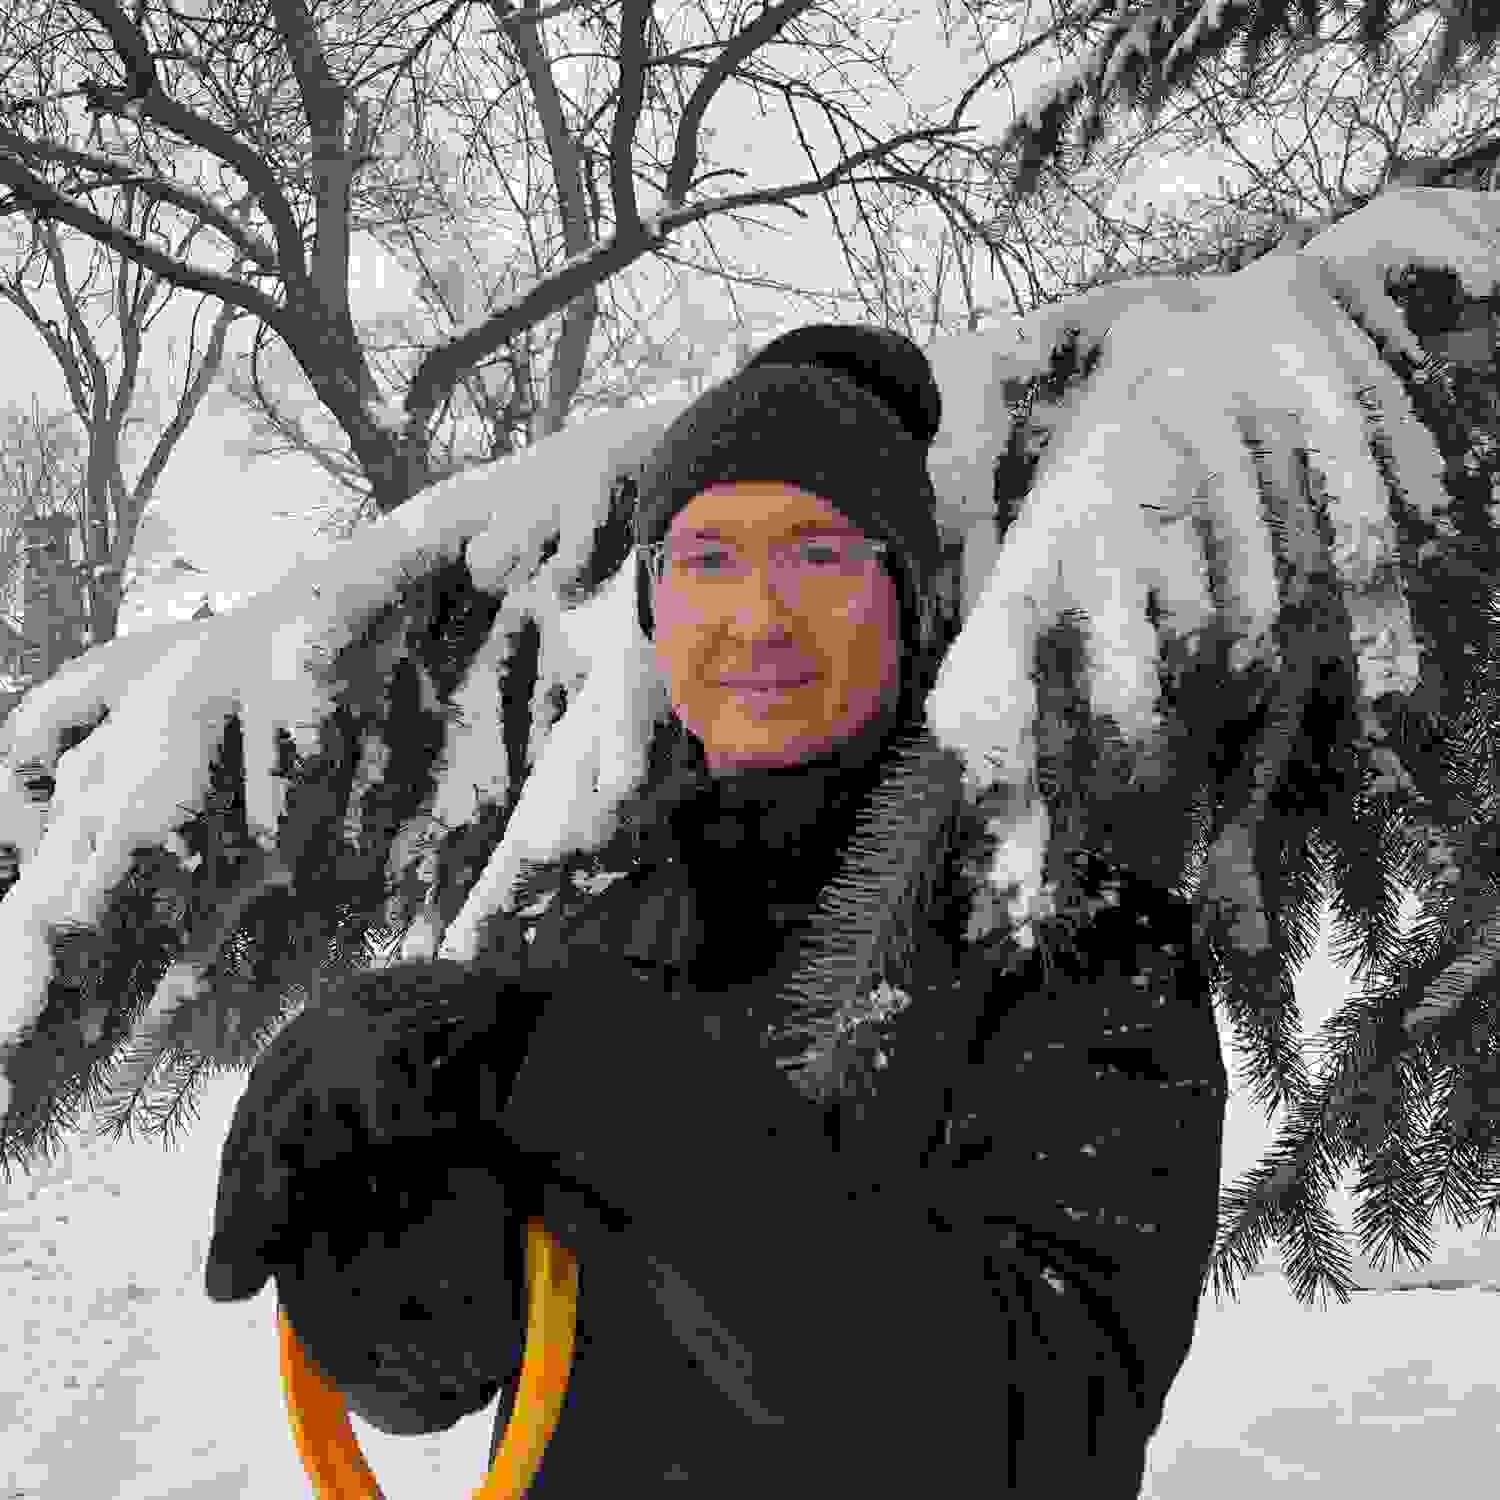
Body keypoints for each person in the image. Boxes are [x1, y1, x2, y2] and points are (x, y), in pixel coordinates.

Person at [205, 324, 1228, 1495]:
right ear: (654, 609)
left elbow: (1048, 1433)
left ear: (908, 594)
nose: (757, 619)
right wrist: (395, 1294)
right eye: (705, 562)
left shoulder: (1075, 938)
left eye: (820, 555)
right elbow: (484, 1362)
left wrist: (607, 1083)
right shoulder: (594, 925)